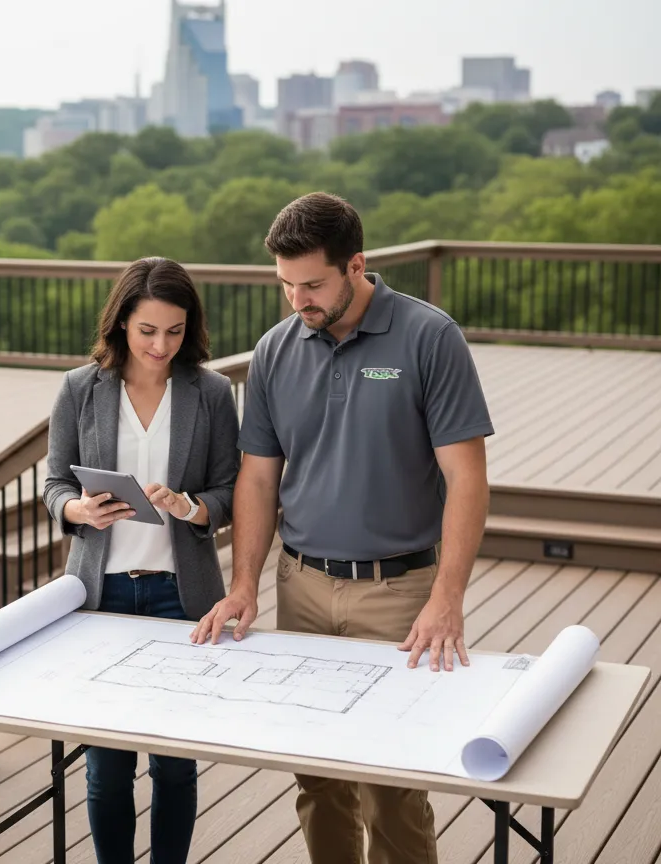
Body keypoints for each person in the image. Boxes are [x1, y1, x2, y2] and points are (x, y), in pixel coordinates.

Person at [189, 192, 493, 864]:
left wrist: (448, 596)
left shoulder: (428, 337)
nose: (298, 299)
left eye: (313, 284)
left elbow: (467, 477)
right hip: (300, 585)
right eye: (285, 285)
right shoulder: (273, 351)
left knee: (392, 783)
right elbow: (258, 479)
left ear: (356, 265)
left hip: (399, 593)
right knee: (318, 776)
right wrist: (244, 585)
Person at [43, 256, 241, 864]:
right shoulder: (81, 388)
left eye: (175, 331)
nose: (161, 345)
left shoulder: (210, 392)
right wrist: (77, 512)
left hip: (181, 598)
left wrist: (189, 506)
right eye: (148, 330)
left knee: (175, 766)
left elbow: (229, 494)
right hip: (100, 597)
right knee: (105, 770)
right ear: (122, 322)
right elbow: (53, 484)